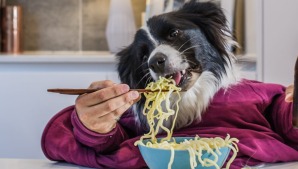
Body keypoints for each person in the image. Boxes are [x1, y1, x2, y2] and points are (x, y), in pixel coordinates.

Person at [41, 79, 298, 169]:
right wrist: (95, 126)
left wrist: (292, 113)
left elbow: (283, 122)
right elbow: (107, 142)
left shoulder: (251, 92)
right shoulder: (140, 104)